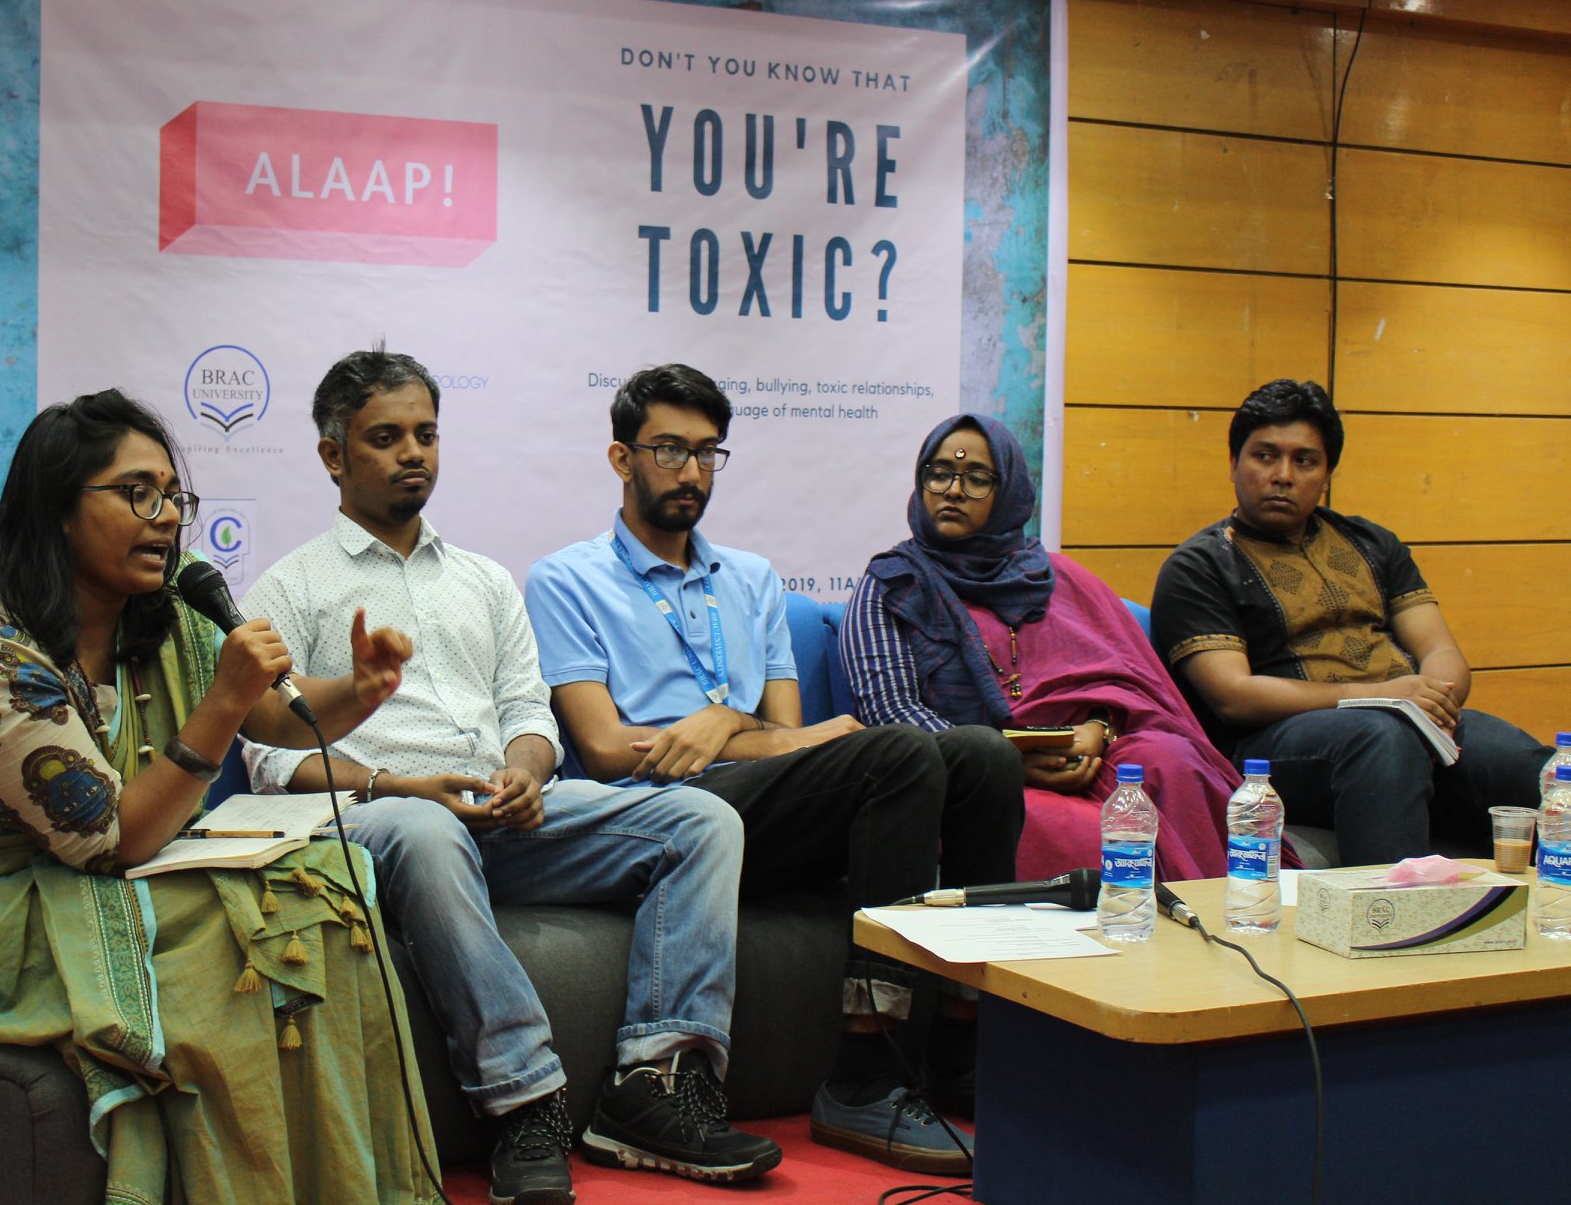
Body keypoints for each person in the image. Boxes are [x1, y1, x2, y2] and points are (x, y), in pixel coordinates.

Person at [0, 390, 439, 1205]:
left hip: (95, 875)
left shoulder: (158, 619)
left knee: (324, 892)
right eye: (138, 493)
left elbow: (277, 712)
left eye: (173, 496)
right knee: (227, 951)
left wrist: (362, 690)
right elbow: (113, 840)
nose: (167, 517)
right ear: (59, 509)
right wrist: (223, 702)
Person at [240, 348, 780, 1205]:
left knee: (701, 820)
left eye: (426, 433)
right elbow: (271, 758)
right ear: (334, 456)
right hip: (384, 822)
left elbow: (531, 714)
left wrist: (527, 770)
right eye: (386, 438)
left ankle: (655, 1087)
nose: (414, 452)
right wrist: (402, 788)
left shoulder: (485, 581)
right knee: (428, 829)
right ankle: (525, 1102)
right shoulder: (293, 587)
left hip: (505, 816)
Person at [526, 363, 1024, 1177]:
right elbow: (609, 747)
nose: (691, 473)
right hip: (658, 815)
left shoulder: (752, 579)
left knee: (981, 756)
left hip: (766, 804)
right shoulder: (567, 579)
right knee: (896, 754)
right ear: (622, 460)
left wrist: (722, 721)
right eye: (668, 451)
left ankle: (962, 1051)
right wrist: (744, 736)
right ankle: (865, 1076)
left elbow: (792, 738)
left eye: (707, 453)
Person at [1151, 378, 1547, 865]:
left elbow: (1440, 649)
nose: (1282, 475)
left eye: (1304, 460)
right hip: (1273, 747)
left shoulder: (1372, 542)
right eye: (1265, 456)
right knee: (1381, 740)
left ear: (1327, 473)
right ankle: (1390, 923)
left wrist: (1435, 697)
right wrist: (1385, 699)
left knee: (1525, 764)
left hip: (1405, 722)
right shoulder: (1200, 566)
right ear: (1234, 465)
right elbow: (1233, 697)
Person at [841, 413, 1241, 881]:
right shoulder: (891, 585)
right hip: (974, 779)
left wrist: (1097, 730)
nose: (952, 490)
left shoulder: (1057, 578)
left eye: (976, 478)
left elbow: (1124, 685)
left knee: (1171, 761)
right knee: (1075, 829)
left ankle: (1216, 922)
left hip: (1092, 755)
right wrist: (1003, 761)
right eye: (940, 473)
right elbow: (889, 710)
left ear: (1008, 490)